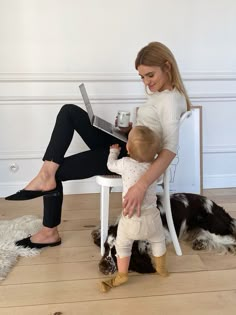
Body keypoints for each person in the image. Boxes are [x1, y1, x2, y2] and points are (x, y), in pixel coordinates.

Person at [5, 41, 190, 249]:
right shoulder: (161, 95)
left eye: (150, 75)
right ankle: (46, 175)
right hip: (128, 145)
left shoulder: (171, 102)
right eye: (142, 77)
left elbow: (169, 152)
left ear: (167, 66)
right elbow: (154, 132)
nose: (146, 82)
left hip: (133, 159)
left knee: (57, 171)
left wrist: (141, 185)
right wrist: (130, 131)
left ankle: (49, 230)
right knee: (69, 112)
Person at [100, 126, 168, 293]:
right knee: (158, 241)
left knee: (122, 245)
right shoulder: (153, 168)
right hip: (152, 218)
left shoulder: (124, 164)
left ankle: (122, 275)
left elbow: (110, 165)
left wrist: (113, 152)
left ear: (128, 148)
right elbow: (160, 176)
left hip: (130, 219)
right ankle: (161, 269)